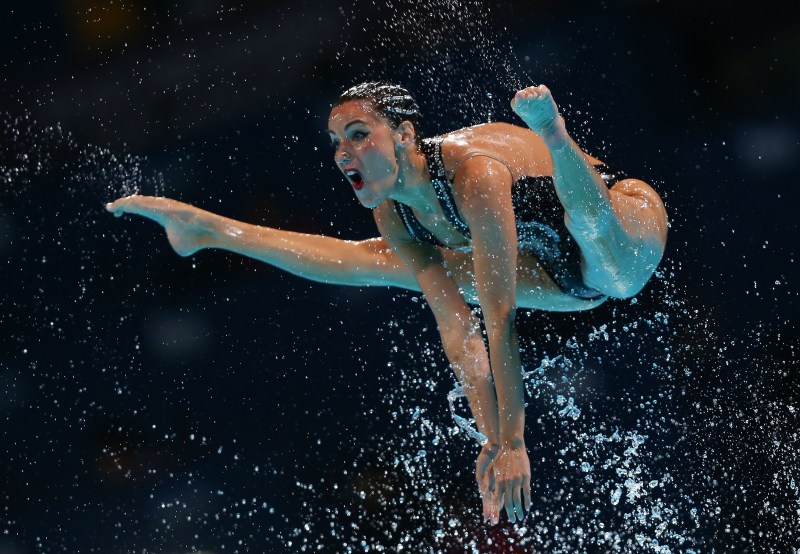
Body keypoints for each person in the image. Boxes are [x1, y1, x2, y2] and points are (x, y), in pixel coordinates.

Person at [107, 83, 668, 525]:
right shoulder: (394, 214)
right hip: (559, 278)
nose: (344, 154)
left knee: (601, 245)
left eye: (358, 135)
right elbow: (461, 334)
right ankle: (207, 229)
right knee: (375, 261)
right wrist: (491, 441)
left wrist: (517, 441)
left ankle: (554, 133)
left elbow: (498, 318)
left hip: (628, 226)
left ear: (403, 134)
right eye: (336, 143)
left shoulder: (473, 175)